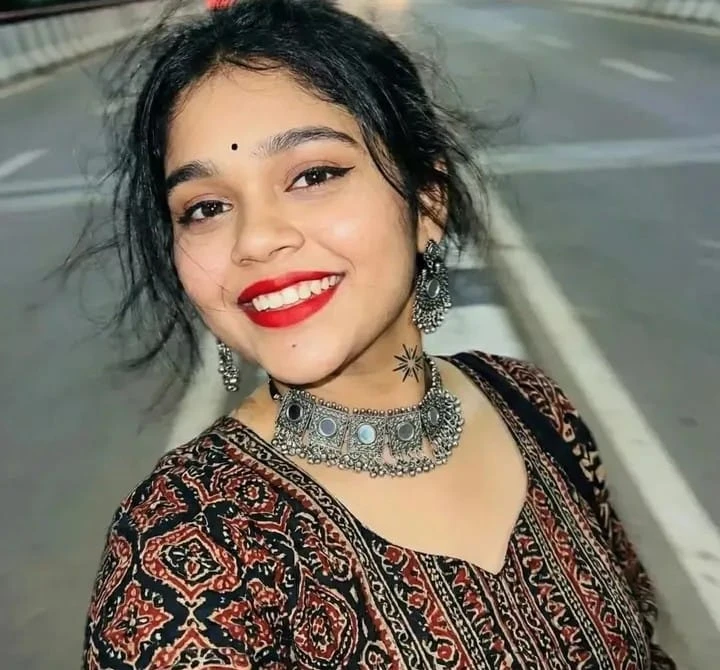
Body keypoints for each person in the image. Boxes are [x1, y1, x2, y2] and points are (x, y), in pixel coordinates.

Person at [79, 0, 675, 667]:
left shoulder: (534, 408)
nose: (256, 239)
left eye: (313, 175)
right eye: (206, 207)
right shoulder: (186, 545)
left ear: (427, 201)